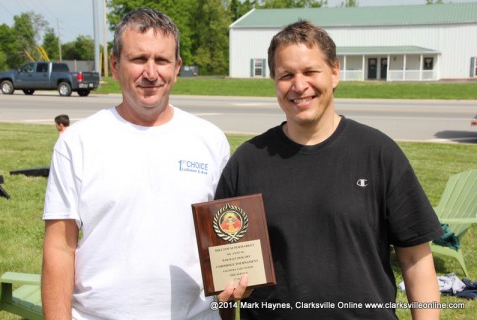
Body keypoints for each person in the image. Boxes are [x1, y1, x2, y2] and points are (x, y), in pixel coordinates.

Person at [215, 20, 443, 319]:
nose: (299, 85)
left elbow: (415, 259)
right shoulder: (248, 161)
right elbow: (225, 274)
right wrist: (227, 296)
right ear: (274, 81)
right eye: (286, 75)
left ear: (335, 72)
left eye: (310, 71)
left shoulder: (378, 153)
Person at [42, 8, 244, 319]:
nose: (151, 73)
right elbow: (59, 248)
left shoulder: (210, 140)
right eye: (138, 59)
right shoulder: (77, 142)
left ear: (176, 67)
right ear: (114, 64)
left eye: (161, 60)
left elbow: (224, 245)